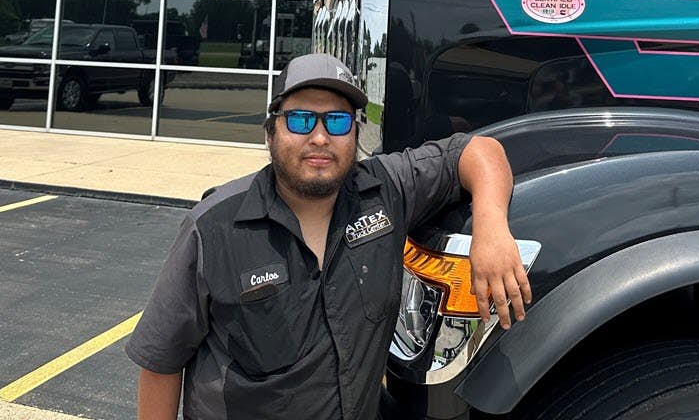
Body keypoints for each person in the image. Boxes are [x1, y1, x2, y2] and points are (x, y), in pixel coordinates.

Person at [125, 53, 530, 420]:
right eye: (301, 120)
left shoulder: (385, 190)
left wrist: (491, 228)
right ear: (270, 133)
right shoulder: (213, 227)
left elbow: (479, 151)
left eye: (337, 121)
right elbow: (162, 360)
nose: (320, 137)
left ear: (355, 135)